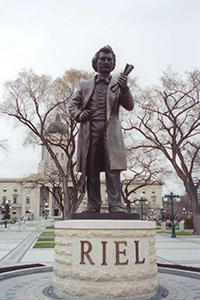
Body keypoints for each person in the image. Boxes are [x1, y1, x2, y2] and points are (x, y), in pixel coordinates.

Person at [69, 45, 134, 213]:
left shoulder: (119, 84)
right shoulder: (84, 85)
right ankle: (93, 205)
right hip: (89, 129)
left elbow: (129, 106)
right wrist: (79, 114)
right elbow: (72, 106)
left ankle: (115, 205)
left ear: (113, 64)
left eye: (109, 60)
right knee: (91, 168)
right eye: (102, 59)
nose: (105, 62)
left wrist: (125, 88)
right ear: (95, 63)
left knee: (113, 168)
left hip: (110, 129)